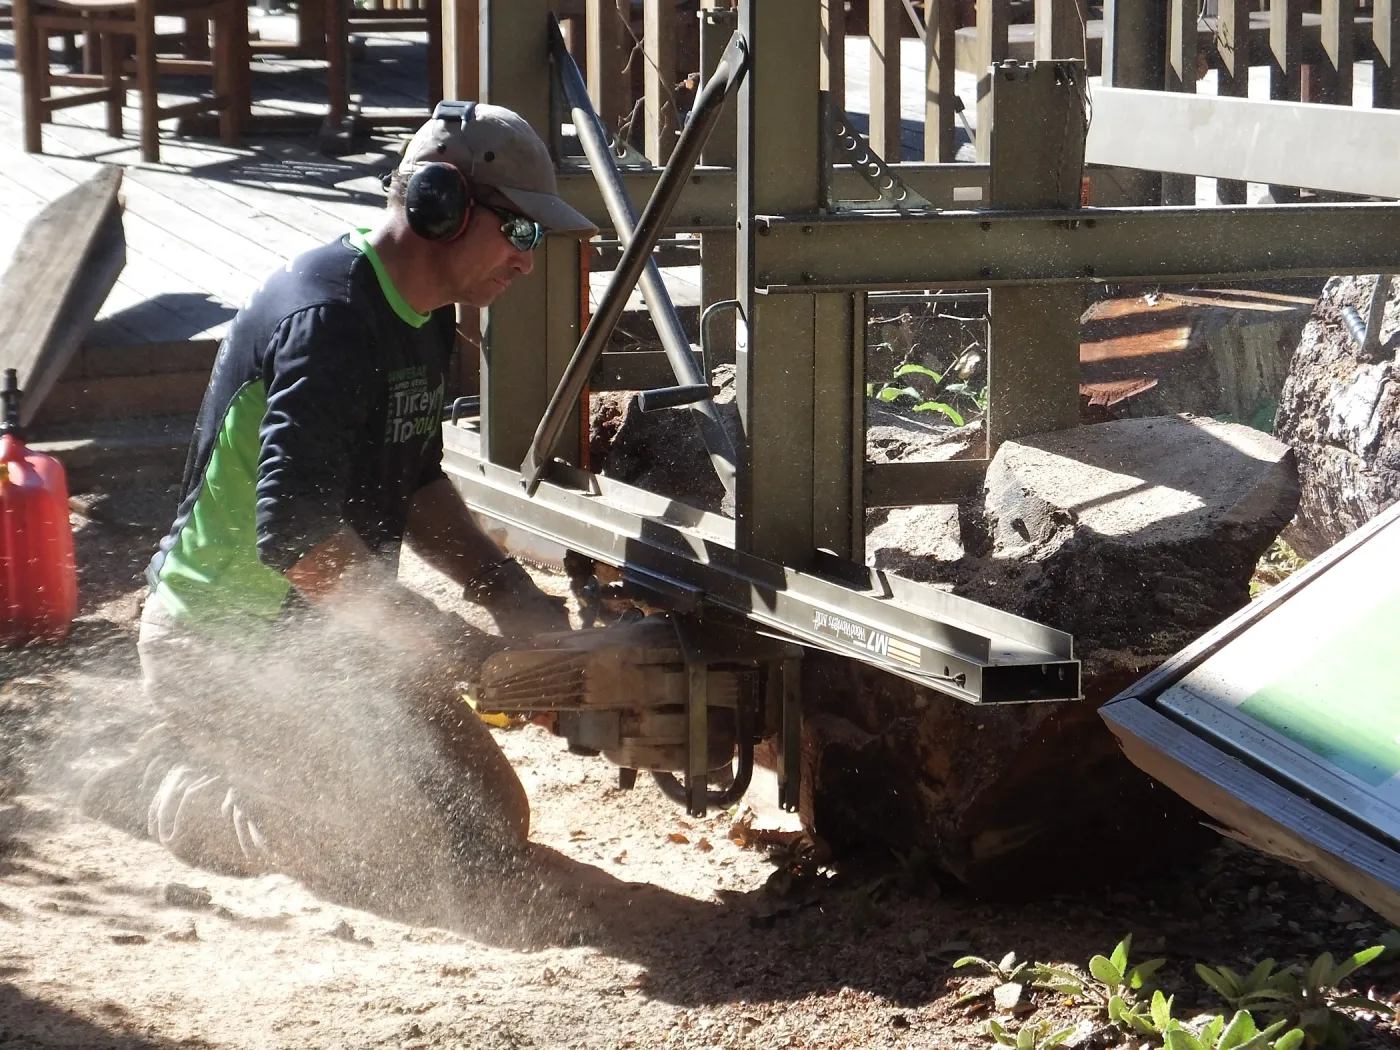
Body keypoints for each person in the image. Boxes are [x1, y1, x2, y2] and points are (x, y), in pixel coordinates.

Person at [80, 102, 598, 909]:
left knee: (491, 822)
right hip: (226, 650)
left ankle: (259, 772)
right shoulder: (326, 323)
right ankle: (169, 781)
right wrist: (459, 653)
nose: (528, 260)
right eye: (520, 232)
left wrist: (507, 592)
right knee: (389, 856)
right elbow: (296, 538)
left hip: (335, 642)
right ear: (442, 201)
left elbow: (419, 483)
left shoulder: (424, 319)